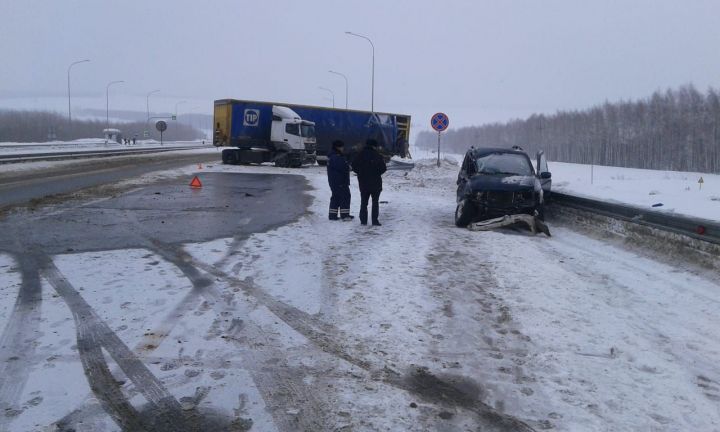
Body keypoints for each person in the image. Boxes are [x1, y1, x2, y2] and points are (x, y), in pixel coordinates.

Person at [352, 139, 387, 226]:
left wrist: (360, 173)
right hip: (376, 183)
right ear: (374, 146)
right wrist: (376, 173)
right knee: (375, 202)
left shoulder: (359, 155)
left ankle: (363, 221)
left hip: (363, 183)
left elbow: (353, 166)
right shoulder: (377, 155)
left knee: (364, 202)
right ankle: (375, 221)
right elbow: (383, 168)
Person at [327, 140, 354, 221]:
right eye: (342, 146)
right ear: (338, 147)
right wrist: (348, 166)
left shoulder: (332, 155)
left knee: (336, 197)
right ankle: (345, 215)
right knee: (345, 196)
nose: (343, 148)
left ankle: (332, 215)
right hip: (340, 181)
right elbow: (342, 167)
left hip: (334, 181)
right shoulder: (336, 156)